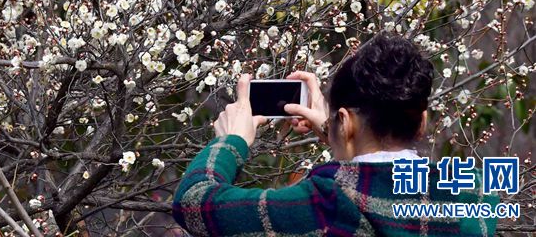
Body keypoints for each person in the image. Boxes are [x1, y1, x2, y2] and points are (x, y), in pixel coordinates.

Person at [172, 32, 499, 237]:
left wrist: (231, 142)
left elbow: (193, 204)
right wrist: (337, 133)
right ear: (422, 122)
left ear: (346, 120)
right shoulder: (475, 192)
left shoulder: (328, 202)